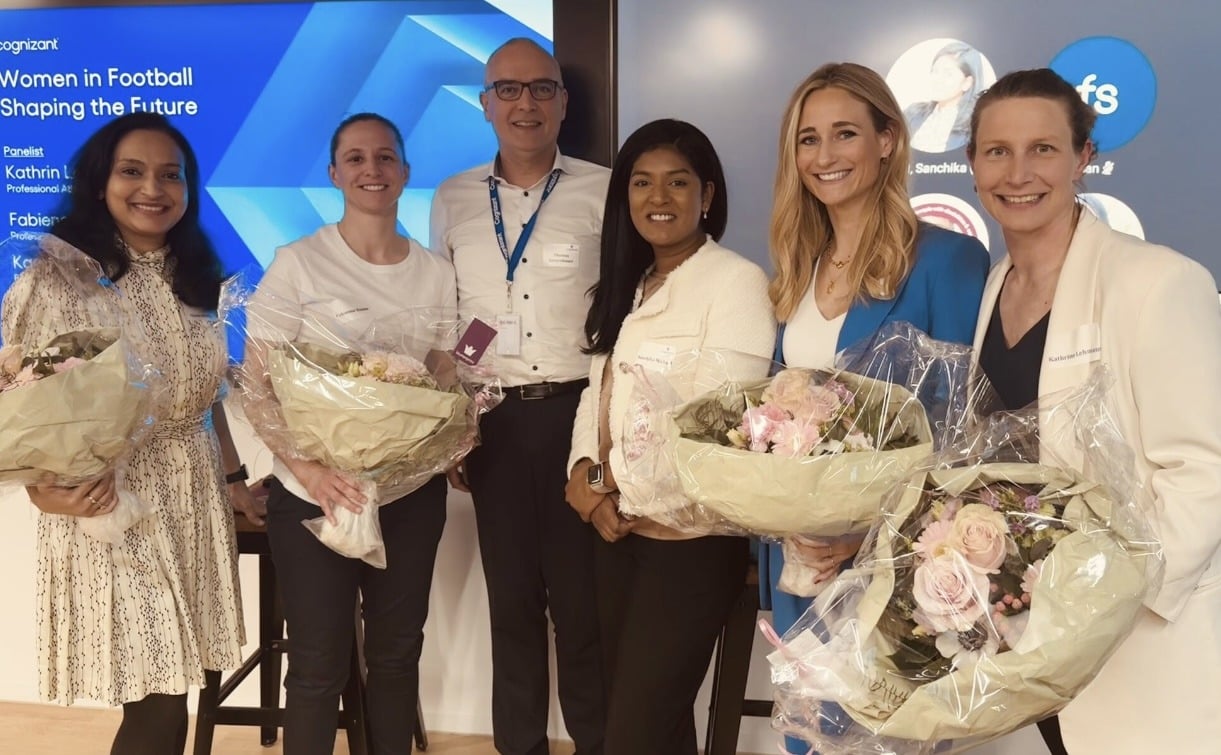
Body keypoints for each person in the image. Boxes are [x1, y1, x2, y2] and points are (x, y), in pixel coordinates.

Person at [968, 68, 1221, 755]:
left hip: (1137, 656)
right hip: (1026, 651)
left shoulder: (1159, 282)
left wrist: (1094, 608)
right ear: (971, 165)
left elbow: (1203, 474)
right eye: (996, 150)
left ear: (1082, 157)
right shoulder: (995, 288)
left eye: (1043, 149)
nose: (1018, 172)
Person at [1, 112, 259, 755]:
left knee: (179, 684)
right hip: (113, 500)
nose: (154, 188)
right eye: (132, 172)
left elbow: (207, 398)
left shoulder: (198, 280)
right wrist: (42, 492)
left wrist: (232, 479)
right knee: (155, 693)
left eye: (171, 175)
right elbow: (22, 401)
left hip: (192, 494)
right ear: (99, 184)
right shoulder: (57, 280)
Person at [759, 62, 989, 751]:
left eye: (844, 134)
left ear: (887, 140)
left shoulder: (946, 259)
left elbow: (962, 431)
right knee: (810, 736)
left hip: (893, 563)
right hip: (800, 556)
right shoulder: (796, 266)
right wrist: (779, 525)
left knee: (890, 736)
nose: (823, 157)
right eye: (807, 139)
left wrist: (872, 534)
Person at [243, 113, 456, 755]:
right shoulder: (299, 262)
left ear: (405, 173)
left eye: (385, 157)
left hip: (409, 495)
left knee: (395, 656)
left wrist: (452, 437)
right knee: (317, 665)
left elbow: (446, 380)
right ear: (334, 173)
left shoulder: (435, 273)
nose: (372, 170)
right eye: (356, 159)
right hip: (314, 491)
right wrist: (310, 473)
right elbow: (257, 383)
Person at [564, 118, 775, 755]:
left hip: (691, 539)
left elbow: (720, 423)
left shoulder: (735, 283)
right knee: (655, 726)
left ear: (706, 197)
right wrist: (582, 476)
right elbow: (595, 394)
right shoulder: (626, 286)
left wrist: (613, 488)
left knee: (634, 731)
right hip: (617, 533)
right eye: (643, 183)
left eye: (678, 183)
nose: (659, 198)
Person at [429, 37, 609, 755]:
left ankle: (597, 743)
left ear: (563, 102)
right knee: (511, 606)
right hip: (493, 420)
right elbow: (447, 320)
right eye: (508, 89)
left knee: (582, 608)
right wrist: (451, 427)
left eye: (541, 89)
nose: (524, 103)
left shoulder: (604, 188)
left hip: (576, 416)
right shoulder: (452, 197)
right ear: (484, 104)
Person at [903, 42, 986, 154]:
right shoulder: (913, 113)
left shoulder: (976, 125)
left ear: (967, 82)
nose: (936, 79)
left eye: (948, 74)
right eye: (935, 71)